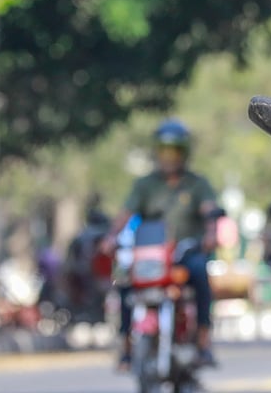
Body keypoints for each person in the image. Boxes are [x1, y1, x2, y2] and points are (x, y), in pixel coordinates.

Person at [101, 119, 220, 370]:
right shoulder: (144, 185)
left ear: (184, 153)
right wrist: (111, 238)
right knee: (124, 283)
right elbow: (125, 215)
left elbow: (210, 212)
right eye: (164, 151)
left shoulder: (197, 184)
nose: (169, 158)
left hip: (185, 253)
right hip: (151, 256)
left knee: (200, 274)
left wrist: (211, 235)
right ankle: (126, 346)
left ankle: (203, 341)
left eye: (174, 151)